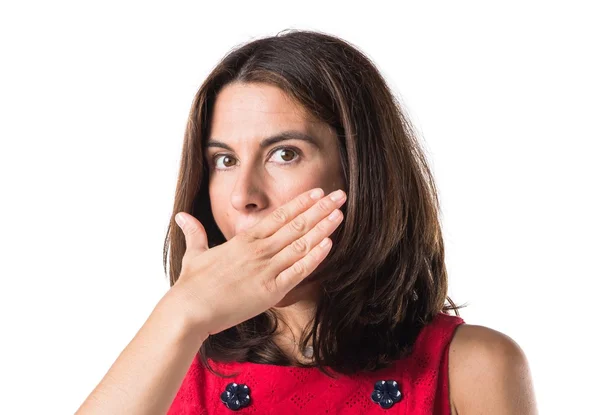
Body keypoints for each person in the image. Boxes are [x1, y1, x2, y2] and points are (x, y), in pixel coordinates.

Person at [76, 29, 537, 414]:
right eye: (224, 160)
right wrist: (182, 312)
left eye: (285, 154)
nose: (244, 197)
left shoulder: (474, 366)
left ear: (361, 170)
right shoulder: (170, 362)